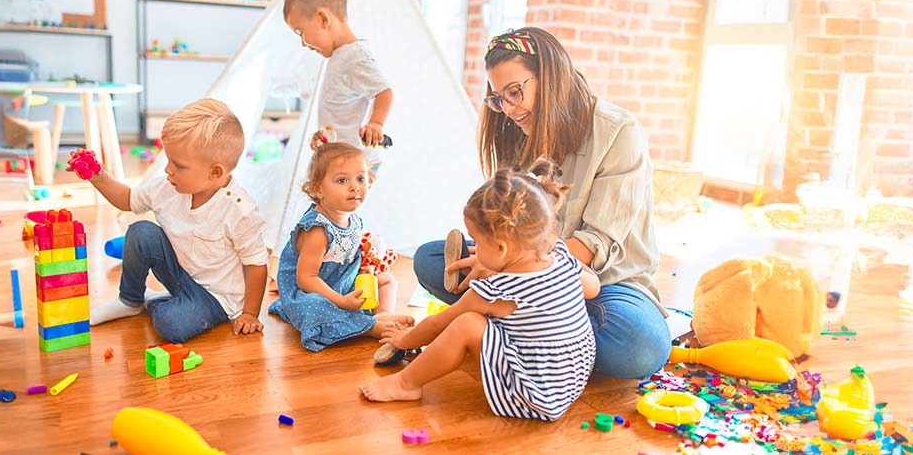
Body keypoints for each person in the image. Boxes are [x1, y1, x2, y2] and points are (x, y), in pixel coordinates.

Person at [409, 27, 669, 380]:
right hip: (526, 275)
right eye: (499, 99)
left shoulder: (618, 131)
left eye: (515, 92)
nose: (508, 109)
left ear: (551, 77)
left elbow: (597, 244)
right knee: (429, 258)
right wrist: (497, 258)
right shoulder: (521, 134)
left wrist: (508, 274)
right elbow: (508, 219)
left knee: (639, 347)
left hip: (606, 286)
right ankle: (541, 335)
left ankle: (518, 331)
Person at [363, 160, 599, 423]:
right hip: (572, 382)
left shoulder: (496, 289)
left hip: (535, 396)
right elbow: (593, 288)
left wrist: (403, 341)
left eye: (475, 239)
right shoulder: (563, 258)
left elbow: (438, 323)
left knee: (466, 323)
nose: (473, 246)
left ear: (500, 248)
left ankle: (406, 384)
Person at [83, 99, 269, 342]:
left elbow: (256, 265)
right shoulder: (167, 187)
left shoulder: (240, 211)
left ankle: (153, 300)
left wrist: (250, 313)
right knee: (141, 232)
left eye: (178, 166)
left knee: (172, 326)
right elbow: (128, 200)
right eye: (168, 160)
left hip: (215, 297)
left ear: (215, 172)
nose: (168, 170)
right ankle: (129, 300)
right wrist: (98, 176)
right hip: (179, 272)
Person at [268, 142, 415, 352]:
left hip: (341, 284)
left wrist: (366, 264)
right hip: (311, 292)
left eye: (361, 179)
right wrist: (341, 301)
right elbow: (306, 279)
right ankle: (369, 327)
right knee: (314, 307)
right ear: (318, 189)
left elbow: (348, 258)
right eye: (342, 180)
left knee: (386, 280)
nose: (355, 186)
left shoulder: (354, 220)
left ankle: (383, 314)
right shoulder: (317, 229)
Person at [282, 0, 395, 164]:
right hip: (338, 157)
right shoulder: (340, 55)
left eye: (301, 32)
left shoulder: (355, 56)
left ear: (323, 19)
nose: (303, 43)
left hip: (354, 163)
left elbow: (384, 92)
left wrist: (375, 123)